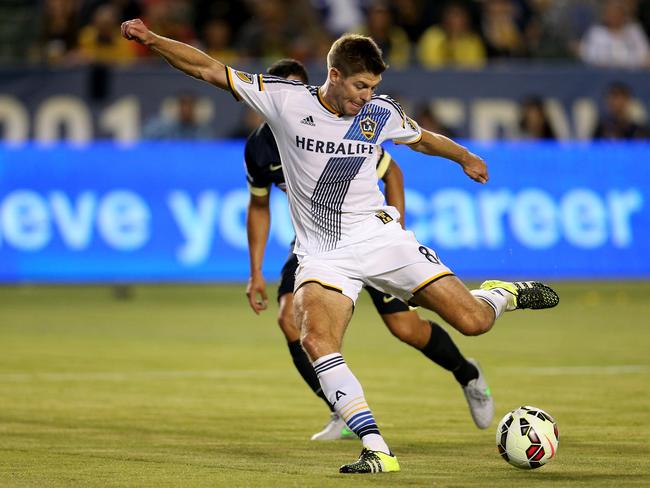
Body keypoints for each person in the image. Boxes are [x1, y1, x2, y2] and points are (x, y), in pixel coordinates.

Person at [121, 20, 559, 474]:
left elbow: (423, 139)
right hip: (324, 255)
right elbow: (208, 69)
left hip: (380, 238)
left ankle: (500, 294)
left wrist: (465, 156)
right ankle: (376, 448)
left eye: (373, 87)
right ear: (333, 75)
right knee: (313, 336)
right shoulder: (285, 100)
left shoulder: (377, 113)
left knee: (473, 322)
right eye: (359, 86)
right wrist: (153, 41)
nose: (366, 96)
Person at [245, 58, 494, 442]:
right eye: (281, 88)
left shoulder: (340, 126)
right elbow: (259, 206)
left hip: (368, 235)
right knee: (290, 321)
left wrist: (396, 230)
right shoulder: (260, 148)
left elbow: (392, 171)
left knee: (405, 328)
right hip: (316, 246)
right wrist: (255, 271)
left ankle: (467, 373)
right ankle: (342, 411)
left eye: (296, 87)